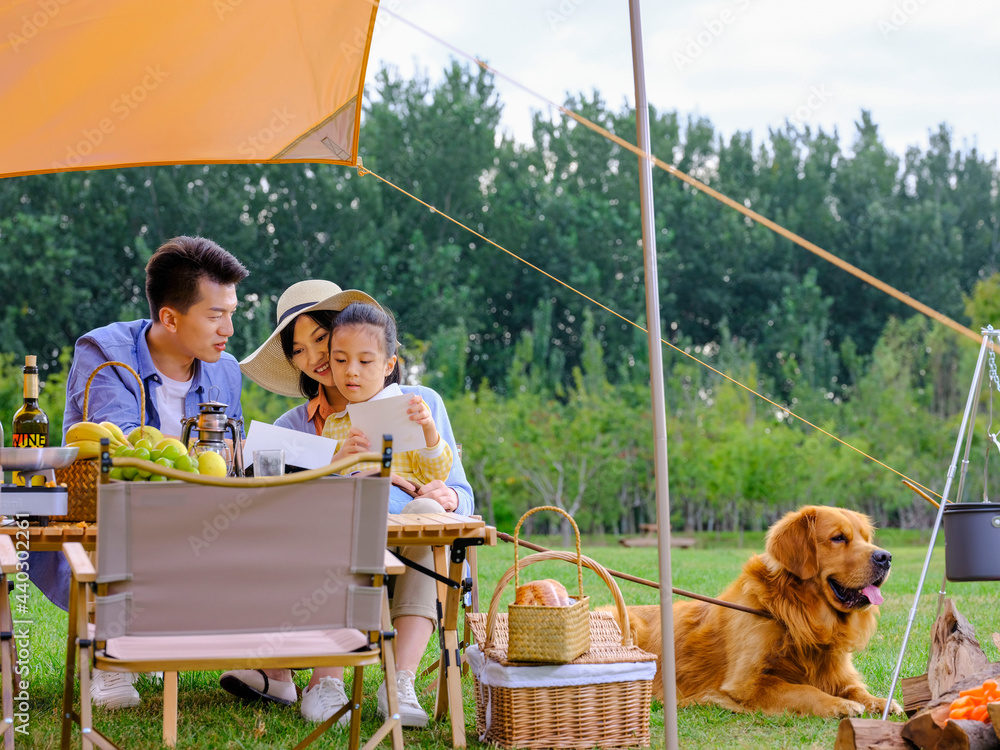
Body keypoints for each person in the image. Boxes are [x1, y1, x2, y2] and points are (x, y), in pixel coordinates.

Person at [233, 280, 472, 728]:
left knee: (427, 520)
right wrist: (330, 464)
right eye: (299, 351)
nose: (317, 359)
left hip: (413, 542)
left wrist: (447, 494)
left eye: (320, 340)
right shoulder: (298, 426)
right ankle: (325, 680)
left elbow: (458, 485)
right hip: (336, 546)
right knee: (336, 523)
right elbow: (271, 504)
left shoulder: (421, 404)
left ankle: (398, 681)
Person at [43, 235, 249, 709]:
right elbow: (126, 451)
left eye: (231, 312)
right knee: (127, 499)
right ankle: (110, 650)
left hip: (197, 516)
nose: (229, 328)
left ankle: (259, 657)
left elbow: (227, 462)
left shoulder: (226, 371)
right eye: (216, 315)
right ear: (170, 317)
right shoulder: (105, 351)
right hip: (110, 511)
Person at [323, 301, 453, 487]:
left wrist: (429, 430)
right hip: (353, 503)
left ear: (389, 365)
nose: (351, 370)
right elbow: (323, 485)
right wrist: (341, 458)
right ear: (330, 360)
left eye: (365, 361)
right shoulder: (333, 424)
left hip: (402, 504)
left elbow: (435, 476)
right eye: (340, 360)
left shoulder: (407, 411)